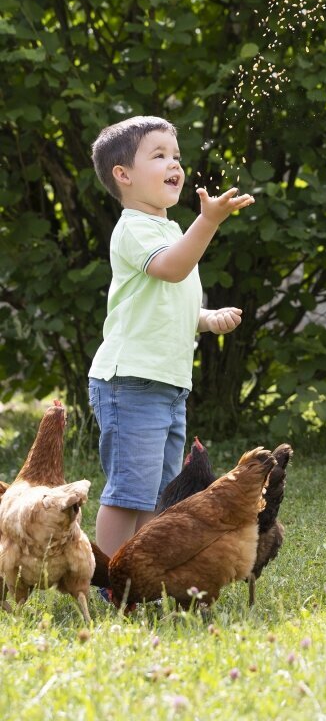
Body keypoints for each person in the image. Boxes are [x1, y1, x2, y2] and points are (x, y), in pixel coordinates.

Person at [88, 115, 254, 558]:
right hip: (131, 383)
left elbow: (165, 302)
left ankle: (138, 571)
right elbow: (172, 268)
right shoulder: (134, 227)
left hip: (166, 385)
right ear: (123, 175)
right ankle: (108, 578)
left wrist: (204, 317)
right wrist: (209, 222)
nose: (174, 164)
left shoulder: (168, 229)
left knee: (158, 492)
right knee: (129, 492)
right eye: (158, 155)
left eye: (176, 155)